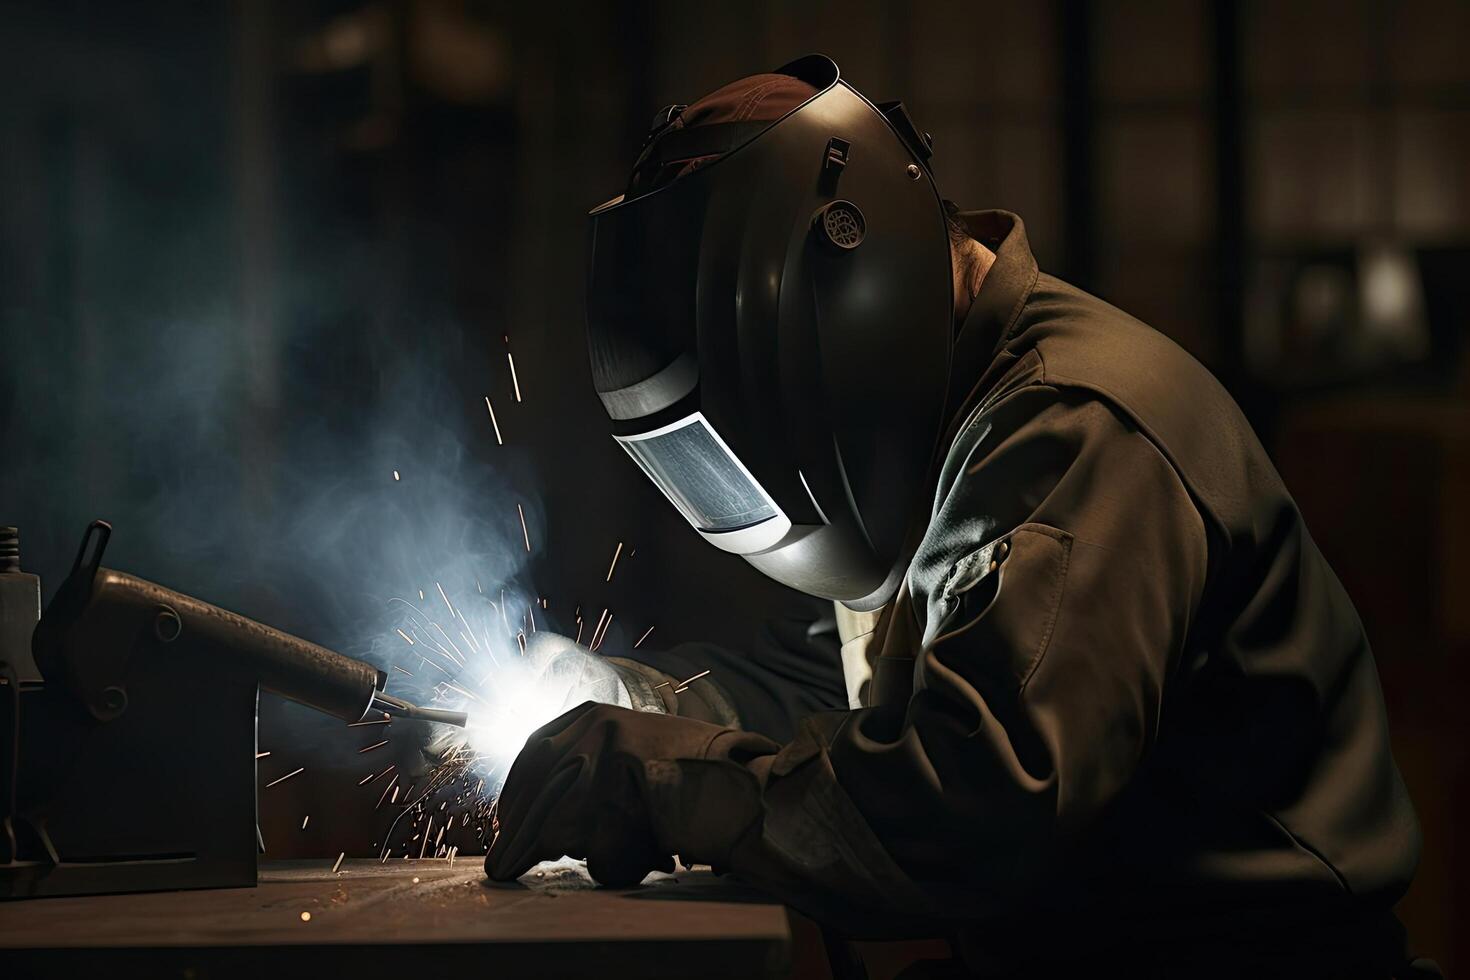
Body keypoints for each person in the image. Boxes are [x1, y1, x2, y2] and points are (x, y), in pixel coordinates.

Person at [486, 56, 1429, 977]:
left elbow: (972, 807)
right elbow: (844, 681)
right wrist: (632, 710)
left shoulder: (1073, 433)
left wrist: (665, 784)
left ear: (854, 290)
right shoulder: (944, 429)